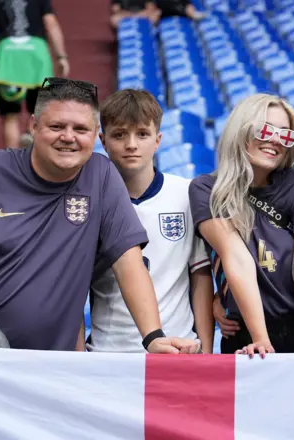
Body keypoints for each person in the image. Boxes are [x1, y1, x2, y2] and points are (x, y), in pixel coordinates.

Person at [0, 78, 200, 355]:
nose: (69, 137)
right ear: (33, 127)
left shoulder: (100, 176)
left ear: (94, 135)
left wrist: (153, 336)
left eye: (81, 129)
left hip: (41, 371)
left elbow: (128, 261)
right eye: (57, 126)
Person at [189, 93, 294, 358]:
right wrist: (260, 339)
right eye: (266, 130)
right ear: (241, 131)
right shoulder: (207, 189)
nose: (276, 140)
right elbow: (235, 257)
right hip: (247, 335)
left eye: (285, 135)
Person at [78, 89, 215, 353]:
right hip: (108, 352)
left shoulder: (186, 194)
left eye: (142, 134)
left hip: (179, 348)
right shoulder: (87, 201)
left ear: (158, 139)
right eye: (120, 135)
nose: (131, 144)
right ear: (103, 141)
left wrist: (206, 351)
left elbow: (200, 275)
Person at [0, 0, 71, 149]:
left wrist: (0, 40)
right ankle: (30, 132)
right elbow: (50, 23)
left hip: (7, 57)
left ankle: (13, 162)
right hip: (36, 56)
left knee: (10, 116)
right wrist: (61, 57)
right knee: (40, 111)